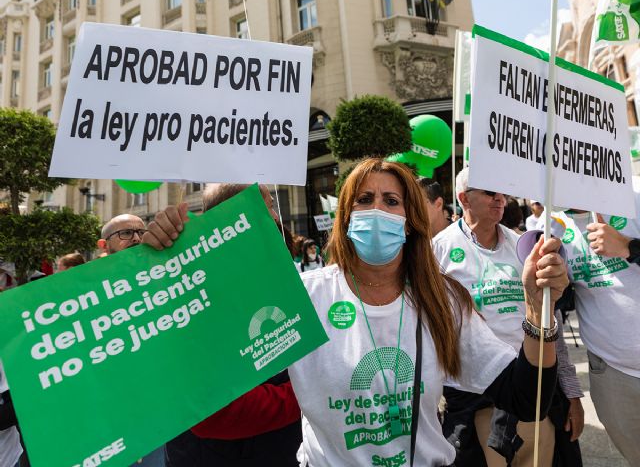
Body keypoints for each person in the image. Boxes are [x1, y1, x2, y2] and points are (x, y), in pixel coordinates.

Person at [142, 159, 567, 466]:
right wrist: (176, 262)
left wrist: (536, 307)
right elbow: (207, 382)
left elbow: (527, 399)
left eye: (391, 200)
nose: (377, 210)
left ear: (410, 219)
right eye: (364, 200)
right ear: (345, 219)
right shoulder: (302, 298)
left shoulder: (444, 300)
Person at [432, 168, 583, 467]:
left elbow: (547, 319)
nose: (500, 198)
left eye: (502, 192)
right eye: (489, 192)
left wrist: (571, 392)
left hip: (531, 390)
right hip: (475, 399)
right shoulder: (438, 250)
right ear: (464, 199)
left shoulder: (525, 246)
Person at [144, 183, 301, 467]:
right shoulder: (192, 287)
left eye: (273, 207)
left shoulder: (275, 272)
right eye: (266, 206)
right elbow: (216, 411)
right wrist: (311, 392)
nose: (276, 217)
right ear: (231, 214)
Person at [540, 177, 640, 465]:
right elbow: (556, 310)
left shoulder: (633, 194)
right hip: (612, 372)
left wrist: (628, 247)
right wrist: (555, 285)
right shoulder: (552, 224)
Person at [99, 214, 164, 467]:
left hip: (159, 406)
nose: (137, 238)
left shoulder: (161, 276)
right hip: (113, 412)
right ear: (103, 245)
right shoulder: (85, 291)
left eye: (140, 231)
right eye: (125, 234)